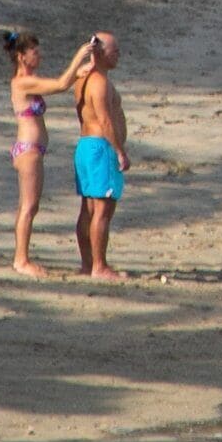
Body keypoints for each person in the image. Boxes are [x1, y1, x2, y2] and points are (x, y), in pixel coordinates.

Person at [2, 30, 83, 276]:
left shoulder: (31, 80)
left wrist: (79, 71)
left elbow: (60, 82)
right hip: (28, 149)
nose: (40, 56)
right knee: (28, 206)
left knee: (31, 205)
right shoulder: (22, 82)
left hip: (33, 149)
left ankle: (22, 257)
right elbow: (60, 84)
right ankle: (21, 260)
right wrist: (80, 56)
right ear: (21, 57)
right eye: (34, 52)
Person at [65, 32, 132, 281]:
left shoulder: (83, 78)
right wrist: (119, 151)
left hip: (85, 146)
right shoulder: (99, 82)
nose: (119, 55)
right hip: (100, 147)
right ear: (101, 53)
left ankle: (88, 263)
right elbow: (104, 119)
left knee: (88, 209)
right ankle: (99, 266)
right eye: (115, 51)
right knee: (102, 210)